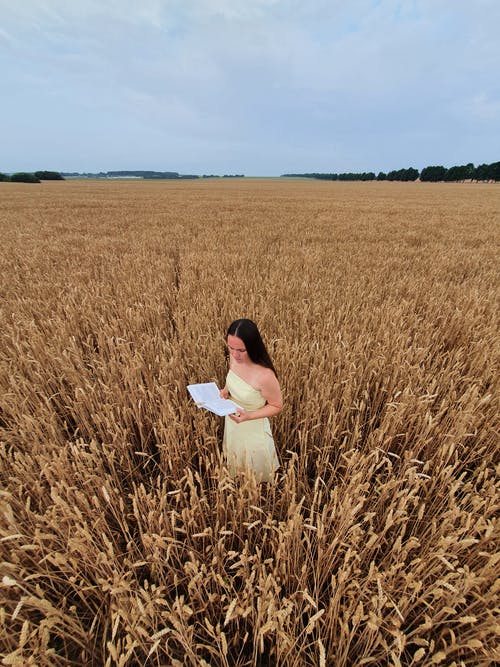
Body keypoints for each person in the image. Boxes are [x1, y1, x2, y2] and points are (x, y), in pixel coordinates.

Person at [220, 319, 282, 482]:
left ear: (253, 347)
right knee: (236, 462)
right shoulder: (235, 359)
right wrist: (226, 391)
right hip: (233, 424)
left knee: (257, 471)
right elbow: (232, 379)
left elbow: (276, 405)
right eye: (230, 348)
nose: (234, 354)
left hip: (253, 429)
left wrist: (248, 416)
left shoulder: (266, 376)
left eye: (241, 350)